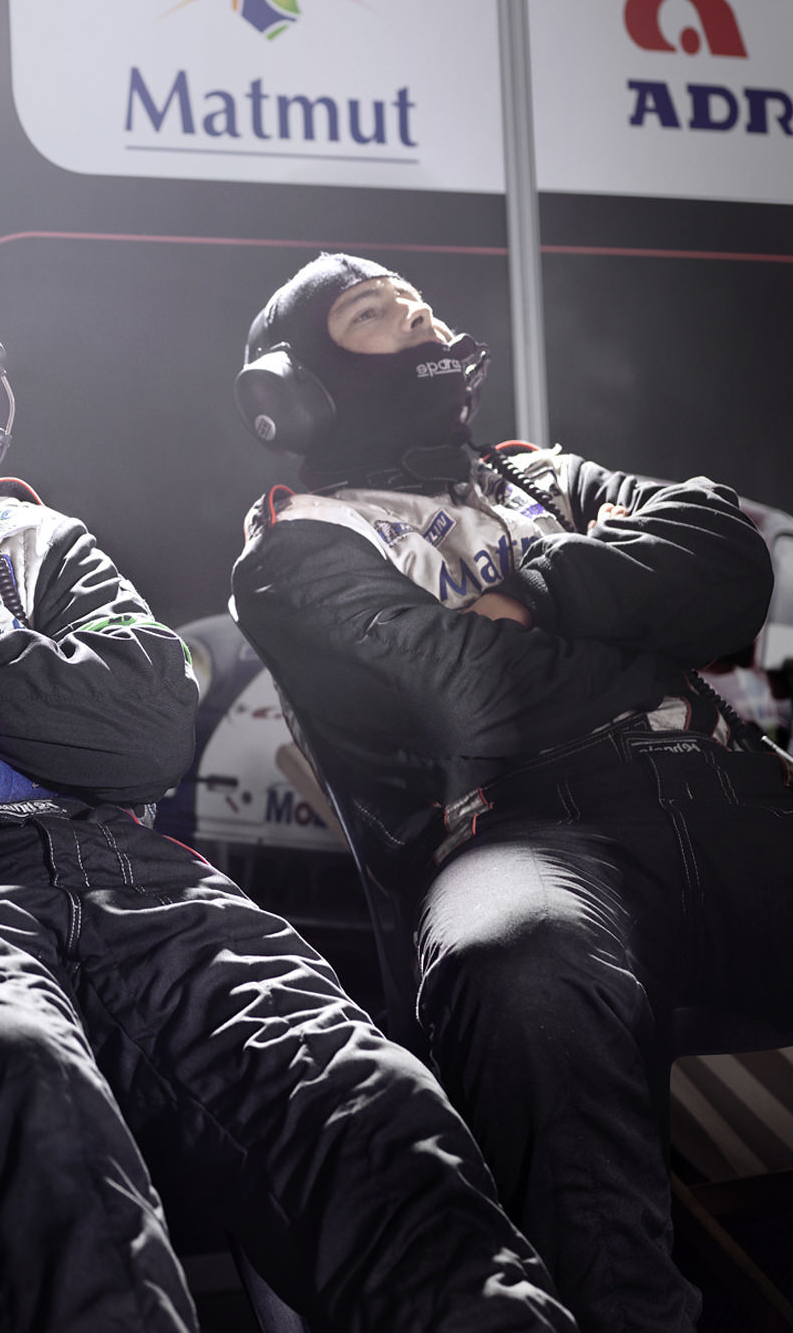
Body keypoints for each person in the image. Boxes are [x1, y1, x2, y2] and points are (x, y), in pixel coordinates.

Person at [0, 168, 576, 1332]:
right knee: (36, 1091)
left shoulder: (31, 531)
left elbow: (145, 727)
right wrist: (35, 739)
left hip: (147, 888)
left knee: (369, 1099)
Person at [228, 252, 793, 1332]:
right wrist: (644, 631)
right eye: (373, 312)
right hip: (531, 832)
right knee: (515, 969)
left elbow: (728, 556)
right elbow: (474, 698)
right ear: (293, 386)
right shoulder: (297, 546)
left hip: (732, 788)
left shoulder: (536, 475)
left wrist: (535, 590)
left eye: (419, 302)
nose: (418, 317)